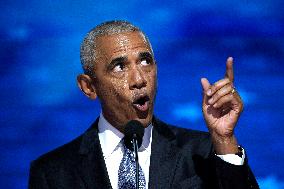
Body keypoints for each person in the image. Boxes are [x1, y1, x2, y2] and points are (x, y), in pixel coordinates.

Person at [28, 20, 259, 189]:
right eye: (119, 66)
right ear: (89, 87)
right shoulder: (52, 173)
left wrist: (224, 139)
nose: (139, 79)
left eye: (146, 61)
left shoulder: (204, 152)